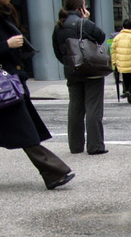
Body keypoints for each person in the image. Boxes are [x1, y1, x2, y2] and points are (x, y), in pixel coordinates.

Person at [0, 0, 74, 190]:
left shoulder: (4, 13)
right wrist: (6, 44)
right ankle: (54, 172)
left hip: (9, 82)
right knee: (22, 128)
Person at [52, 0, 107, 155]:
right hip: (91, 70)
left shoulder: (59, 26)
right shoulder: (84, 23)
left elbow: (57, 51)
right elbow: (100, 37)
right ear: (80, 7)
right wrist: (86, 19)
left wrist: (69, 63)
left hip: (72, 70)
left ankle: (75, 146)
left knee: (75, 107)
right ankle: (95, 145)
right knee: (93, 107)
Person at [112, 19, 131, 103]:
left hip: (121, 62)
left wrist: (114, 62)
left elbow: (113, 51)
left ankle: (129, 93)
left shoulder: (117, 37)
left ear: (123, 27)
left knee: (126, 78)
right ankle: (130, 91)